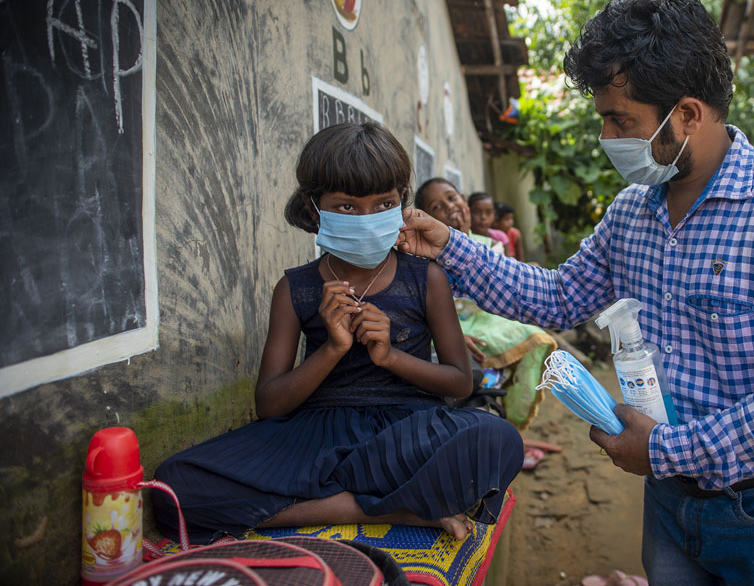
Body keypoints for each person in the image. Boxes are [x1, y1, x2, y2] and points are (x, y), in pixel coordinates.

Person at [399, 0, 754, 585]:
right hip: (670, 505)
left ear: (688, 115)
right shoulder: (632, 214)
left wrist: (668, 451)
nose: (608, 138)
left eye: (620, 121)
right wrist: (451, 245)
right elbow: (556, 297)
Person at [152, 122, 523, 544]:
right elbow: (270, 405)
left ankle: (348, 498)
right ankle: (394, 508)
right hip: (315, 434)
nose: (367, 219)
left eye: (384, 203)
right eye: (348, 207)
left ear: (402, 201)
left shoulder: (427, 278)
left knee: (496, 439)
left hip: (405, 435)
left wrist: (391, 357)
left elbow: (460, 381)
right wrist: (332, 348)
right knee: (175, 487)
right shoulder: (295, 287)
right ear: (315, 210)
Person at [414, 177, 556, 428]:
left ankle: (510, 419)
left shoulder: (490, 247)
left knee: (537, 338)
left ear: (464, 203)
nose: (449, 207)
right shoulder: (424, 257)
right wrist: (456, 337)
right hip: (452, 328)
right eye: (436, 207)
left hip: (490, 321)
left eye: (451, 197)